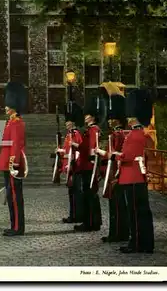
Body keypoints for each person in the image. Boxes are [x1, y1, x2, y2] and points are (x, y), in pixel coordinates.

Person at [114, 89, 154, 254]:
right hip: (136, 177)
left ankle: (137, 243)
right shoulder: (138, 134)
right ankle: (144, 243)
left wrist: (115, 156)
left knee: (135, 213)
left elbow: (127, 156)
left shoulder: (135, 135)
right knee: (141, 212)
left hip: (132, 178)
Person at [96, 94, 130, 243]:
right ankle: (118, 232)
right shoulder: (116, 134)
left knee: (117, 205)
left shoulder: (118, 135)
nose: (109, 121)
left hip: (117, 173)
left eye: (112, 118)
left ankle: (118, 233)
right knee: (117, 204)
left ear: (117, 119)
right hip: (114, 172)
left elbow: (115, 155)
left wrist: (101, 152)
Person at [0, 82, 28, 237]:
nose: (5, 107)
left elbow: (16, 145)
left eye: (8, 104)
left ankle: (17, 227)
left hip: (12, 164)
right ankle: (14, 225)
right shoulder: (11, 121)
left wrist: (13, 164)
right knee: (11, 197)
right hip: (8, 163)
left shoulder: (16, 122)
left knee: (15, 197)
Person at [74, 96, 103, 232]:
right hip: (86, 165)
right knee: (88, 195)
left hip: (89, 166)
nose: (85, 117)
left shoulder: (93, 130)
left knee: (90, 195)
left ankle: (92, 222)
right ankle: (91, 221)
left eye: (87, 115)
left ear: (92, 117)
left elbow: (91, 147)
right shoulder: (89, 130)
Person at [58, 101, 84, 224]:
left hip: (74, 167)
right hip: (69, 166)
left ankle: (76, 215)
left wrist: (71, 163)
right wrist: (60, 151)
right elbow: (67, 150)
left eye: (68, 122)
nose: (66, 124)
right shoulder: (69, 135)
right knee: (71, 193)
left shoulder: (76, 134)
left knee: (75, 193)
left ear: (72, 122)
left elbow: (79, 149)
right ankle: (72, 215)